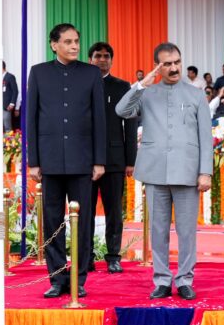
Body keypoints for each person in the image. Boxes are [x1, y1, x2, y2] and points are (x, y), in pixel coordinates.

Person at [116, 42, 213, 301]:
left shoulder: (195, 95)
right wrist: (140, 85)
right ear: (158, 66)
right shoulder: (147, 93)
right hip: (155, 171)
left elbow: (206, 136)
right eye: (167, 64)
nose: (173, 68)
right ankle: (161, 279)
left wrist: (205, 172)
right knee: (157, 230)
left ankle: (184, 280)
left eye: (177, 62)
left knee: (187, 231)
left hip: (188, 171)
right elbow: (121, 111)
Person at [27, 23, 106, 299]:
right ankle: (57, 279)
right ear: (54, 44)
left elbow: (99, 119)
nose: (74, 46)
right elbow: (32, 119)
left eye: (76, 41)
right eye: (68, 41)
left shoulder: (91, 74)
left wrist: (99, 160)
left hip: (82, 160)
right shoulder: (38, 73)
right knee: (52, 221)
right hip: (48, 161)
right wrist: (33, 161)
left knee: (82, 222)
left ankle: (78, 278)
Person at [88, 42, 138, 274]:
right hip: (85, 160)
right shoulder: (81, 85)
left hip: (115, 160)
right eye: (98, 56)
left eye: (107, 56)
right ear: (90, 59)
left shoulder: (121, 86)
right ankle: (85, 257)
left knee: (114, 212)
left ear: (112, 60)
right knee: (85, 210)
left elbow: (130, 124)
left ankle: (113, 256)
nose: (102, 60)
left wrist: (131, 160)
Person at [3, 61, 19, 131]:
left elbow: (15, 91)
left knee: (7, 126)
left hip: (6, 105)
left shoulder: (10, 76)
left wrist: (12, 103)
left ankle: (8, 141)